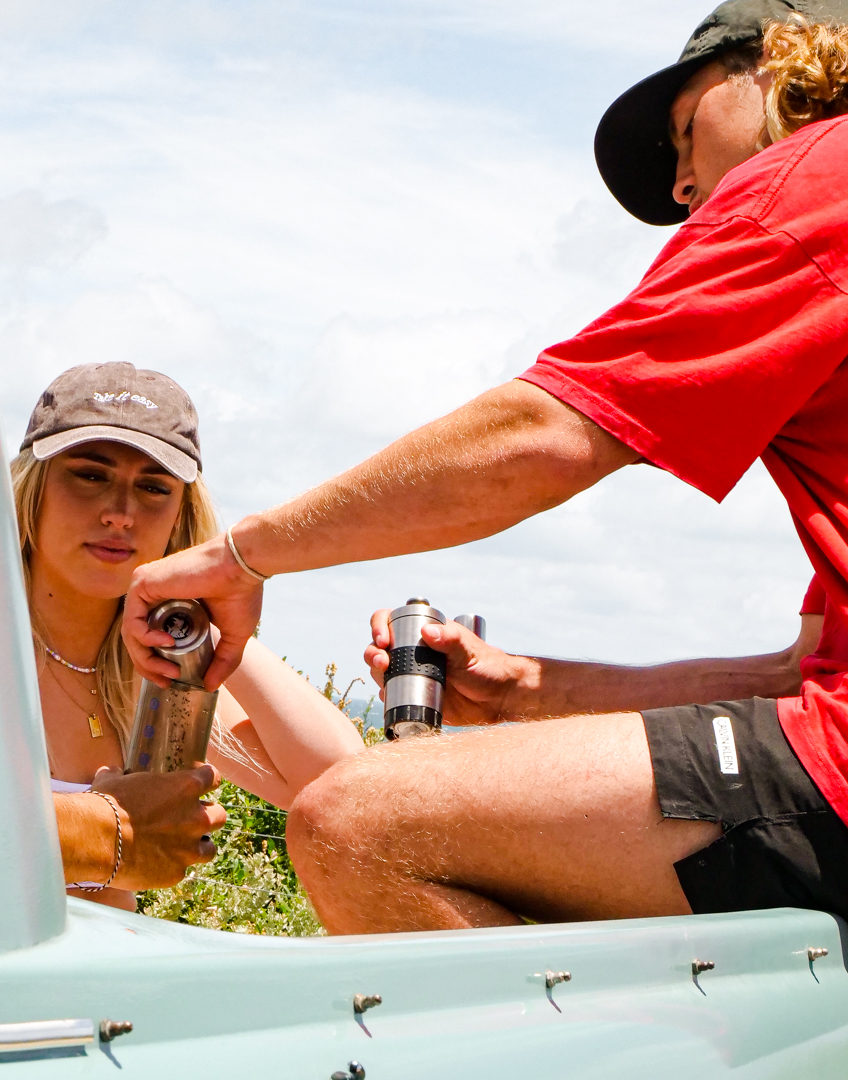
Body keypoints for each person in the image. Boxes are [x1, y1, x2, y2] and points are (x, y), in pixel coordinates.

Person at [122, 0, 848, 933]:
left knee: (361, 823)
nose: (679, 185)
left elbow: (541, 436)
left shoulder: (813, 176)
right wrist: (522, 693)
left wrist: (239, 559)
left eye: (683, 128)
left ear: (784, 65)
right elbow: (799, 670)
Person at [18, 362, 364, 910]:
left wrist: (215, 609)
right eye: (90, 475)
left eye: (154, 488)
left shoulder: (160, 669)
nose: (120, 514)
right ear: (33, 487)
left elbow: (340, 784)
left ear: (181, 516)